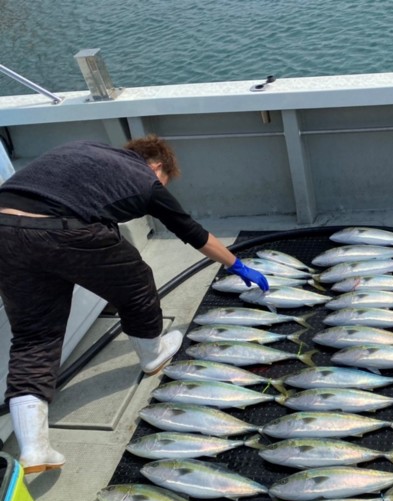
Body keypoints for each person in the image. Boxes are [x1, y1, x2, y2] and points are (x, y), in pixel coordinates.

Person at [0, 135, 269, 474]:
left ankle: (35, 447)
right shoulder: (145, 179)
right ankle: (153, 355)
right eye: (165, 179)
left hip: (4, 230)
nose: (163, 186)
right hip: (65, 231)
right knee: (136, 284)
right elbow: (191, 231)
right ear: (157, 165)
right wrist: (236, 264)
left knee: (34, 336)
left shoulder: (81, 148)